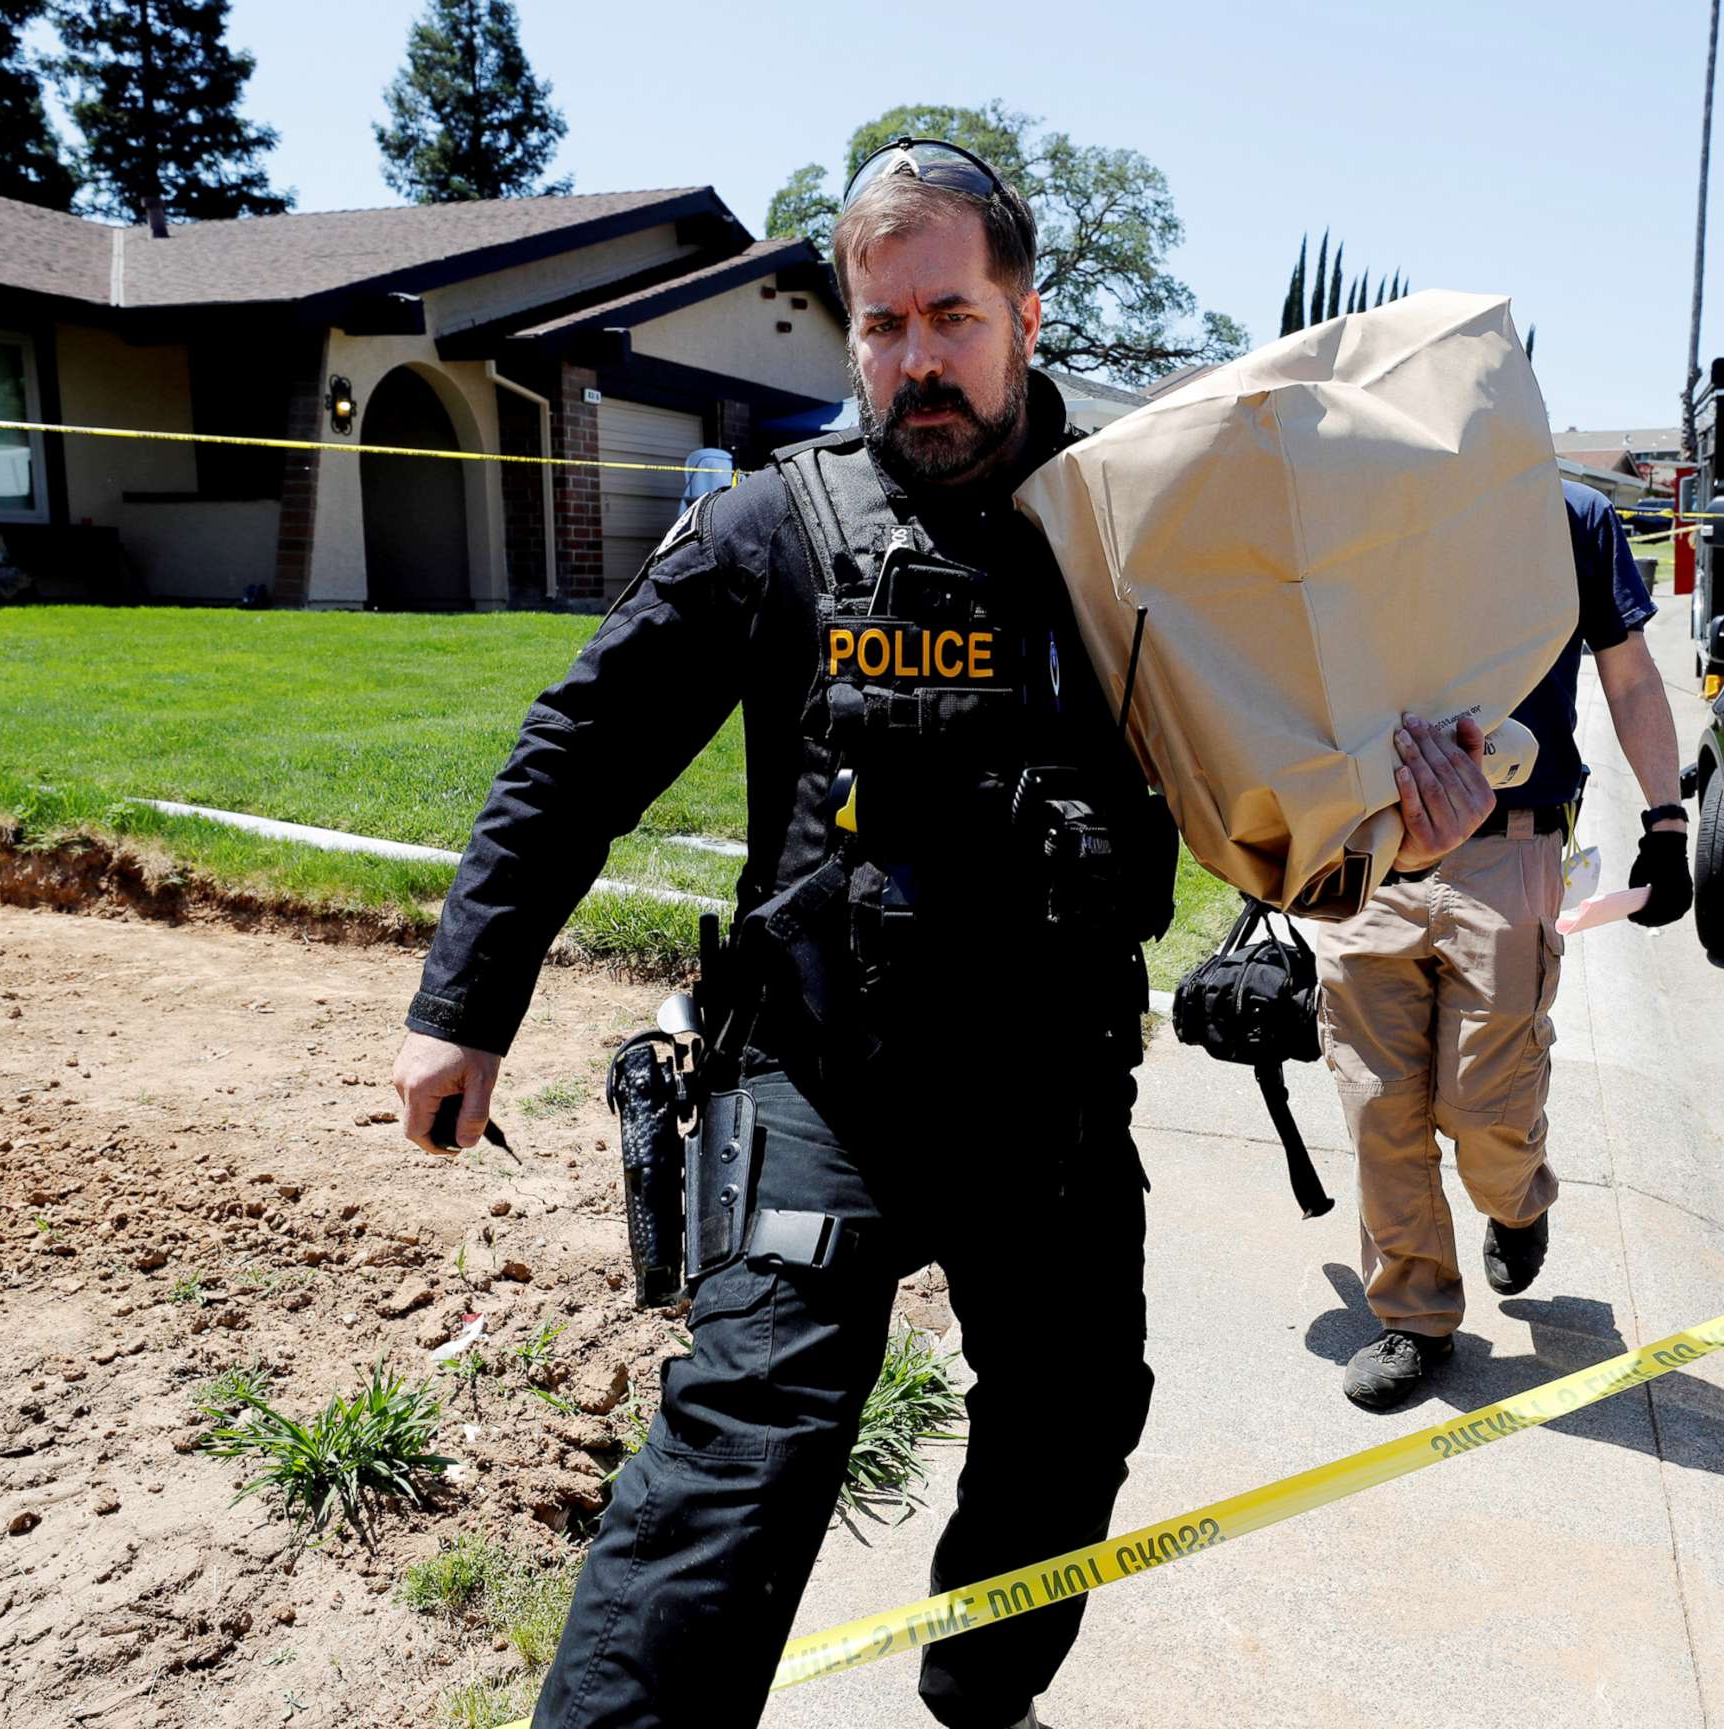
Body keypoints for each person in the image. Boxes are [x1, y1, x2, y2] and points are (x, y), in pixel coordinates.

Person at [387, 137, 1504, 1729]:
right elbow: (576, 754)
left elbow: (1275, 800)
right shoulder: (771, 533)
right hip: (819, 1076)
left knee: (1075, 1420)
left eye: (952, 317)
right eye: (883, 322)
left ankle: (982, 1695)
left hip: (1049, 1091)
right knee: (744, 1454)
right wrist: (467, 999)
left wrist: (1394, 834)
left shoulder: (1142, 537)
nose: (917, 358)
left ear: (1027, 315)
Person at [1318, 480, 1691, 1411]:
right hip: (1371, 844)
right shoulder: (1356, 502)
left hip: (1508, 844)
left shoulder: (1571, 517)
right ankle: (1414, 1314)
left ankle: (1519, 1197)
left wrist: (1667, 820)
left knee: (1486, 1103)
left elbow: (1632, 674)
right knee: (1378, 1104)